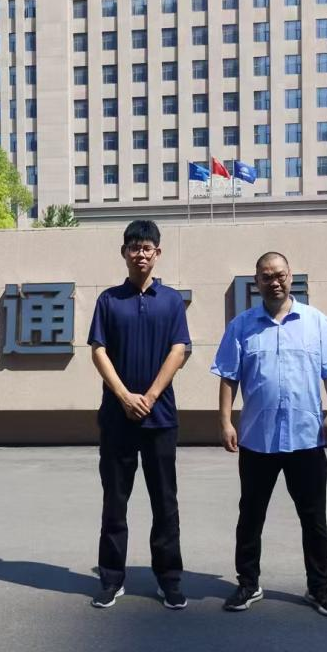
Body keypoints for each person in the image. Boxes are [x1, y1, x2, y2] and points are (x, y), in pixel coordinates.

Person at [211, 251, 327, 617]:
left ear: (290, 277)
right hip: (258, 439)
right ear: (256, 282)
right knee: (250, 515)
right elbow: (228, 377)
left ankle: (319, 588)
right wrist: (225, 421)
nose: (274, 281)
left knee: (313, 518)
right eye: (266, 276)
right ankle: (247, 583)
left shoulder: (316, 322)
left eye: (280, 275)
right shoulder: (242, 326)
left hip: (306, 438)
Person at [87, 220, 191, 609]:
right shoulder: (109, 300)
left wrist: (148, 395)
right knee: (115, 501)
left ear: (157, 253)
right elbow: (98, 350)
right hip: (117, 419)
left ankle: (169, 579)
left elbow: (179, 349)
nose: (140, 254)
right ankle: (111, 578)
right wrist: (124, 396)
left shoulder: (172, 301)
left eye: (147, 247)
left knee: (165, 502)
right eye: (134, 247)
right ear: (124, 253)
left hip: (160, 418)